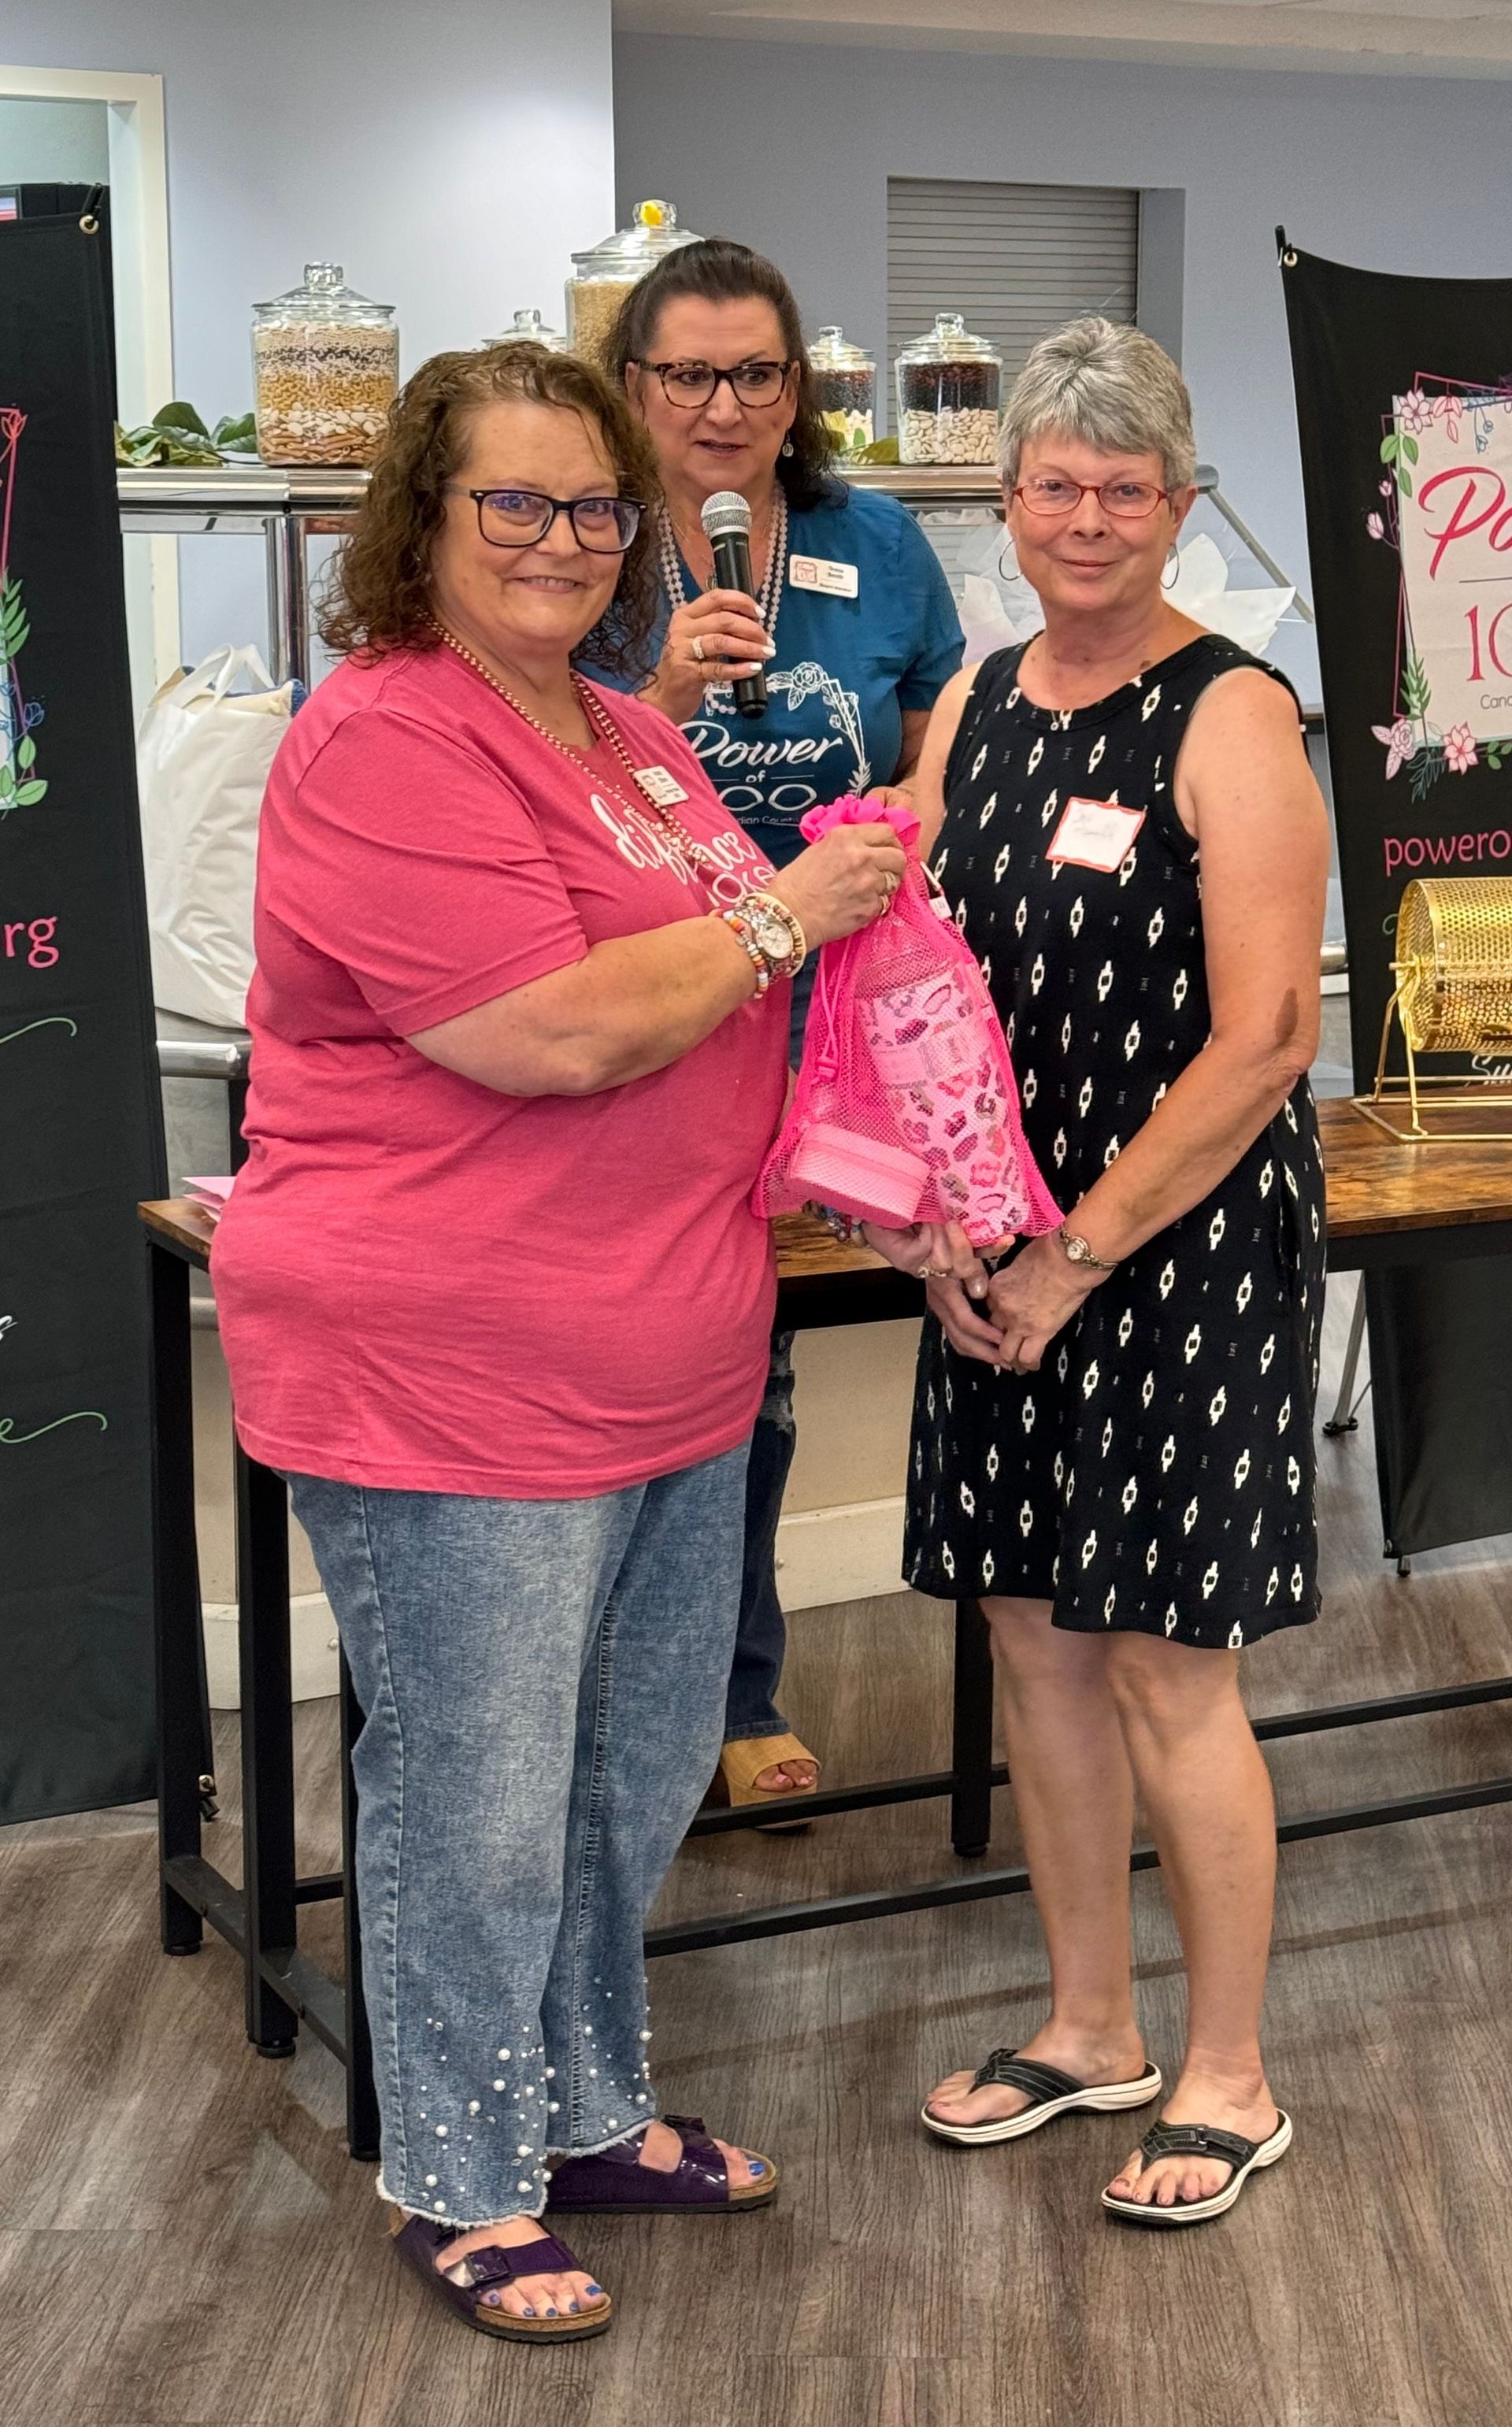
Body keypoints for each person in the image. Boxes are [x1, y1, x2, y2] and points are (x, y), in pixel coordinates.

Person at [210, 339, 905, 2341]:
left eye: (591, 503)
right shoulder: (383, 739)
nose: (558, 536)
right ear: (421, 522)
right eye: (508, 500)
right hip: (457, 1370)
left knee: (634, 1770)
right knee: (480, 1794)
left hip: (673, 1355)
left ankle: (584, 2107)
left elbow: (715, 1025)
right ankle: (460, 2171)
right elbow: (555, 1029)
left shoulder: (628, 733)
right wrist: (791, 906)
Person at [899, 318, 1328, 2225]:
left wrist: (1073, 1253)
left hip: (1174, 1246)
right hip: (993, 1245)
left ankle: (1227, 2069)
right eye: (1056, 484)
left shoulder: (1234, 710)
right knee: (1031, 1644)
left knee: (1167, 1664)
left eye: (1127, 487)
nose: (1089, 516)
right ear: (1005, 502)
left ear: (1178, 505)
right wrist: (931, 1217)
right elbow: (902, 981)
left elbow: (1262, 1043)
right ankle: (1090, 2027)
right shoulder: (973, 700)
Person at [600, 239, 964, 1820]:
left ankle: (734, 1688)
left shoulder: (872, 540)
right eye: (688, 374)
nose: (724, 406)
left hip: (835, 1036)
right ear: (632, 388)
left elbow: (952, 692)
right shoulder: (582, 550)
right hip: (655, 1027)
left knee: (765, 1383)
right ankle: (624, 1708)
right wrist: (667, 689)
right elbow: (538, 774)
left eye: (756, 373)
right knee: (658, 1382)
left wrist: (920, 811)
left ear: (796, 388)